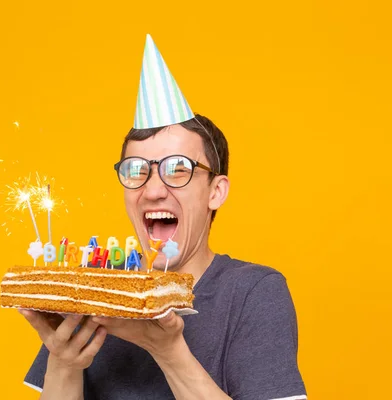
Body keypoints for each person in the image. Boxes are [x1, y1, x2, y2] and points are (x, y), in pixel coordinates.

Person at [18, 35, 307, 400]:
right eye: (137, 170)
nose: (153, 190)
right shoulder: (96, 293)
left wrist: (170, 353)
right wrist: (63, 362)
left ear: (216, 191)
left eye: (177, 169)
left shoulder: (252, 292)